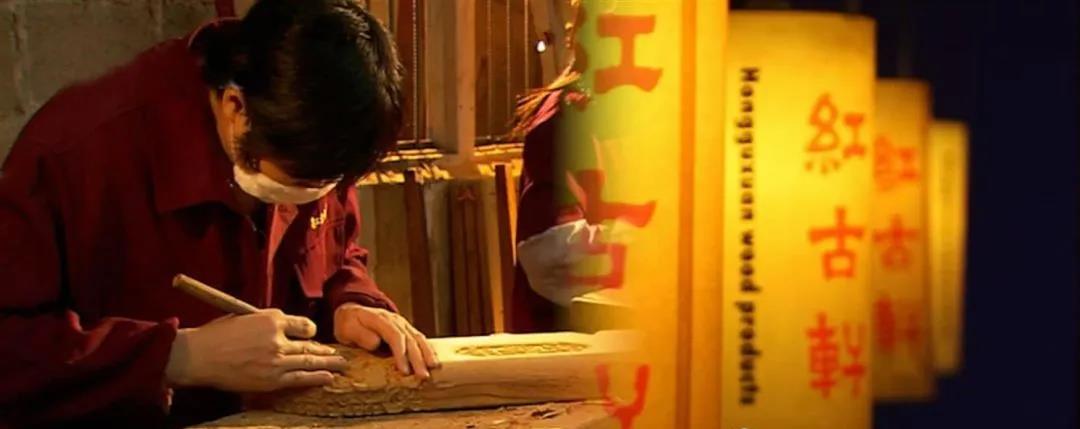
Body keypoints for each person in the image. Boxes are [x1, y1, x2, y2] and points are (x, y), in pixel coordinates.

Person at [0, 1, 436, 426]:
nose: (318, 194)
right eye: (301, 181)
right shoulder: (73, 152)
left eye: (330, 183)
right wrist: (178, 356)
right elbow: (10, 349)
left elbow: (337, 253)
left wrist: (351, 300)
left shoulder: (315, 134)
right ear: (235, 107)